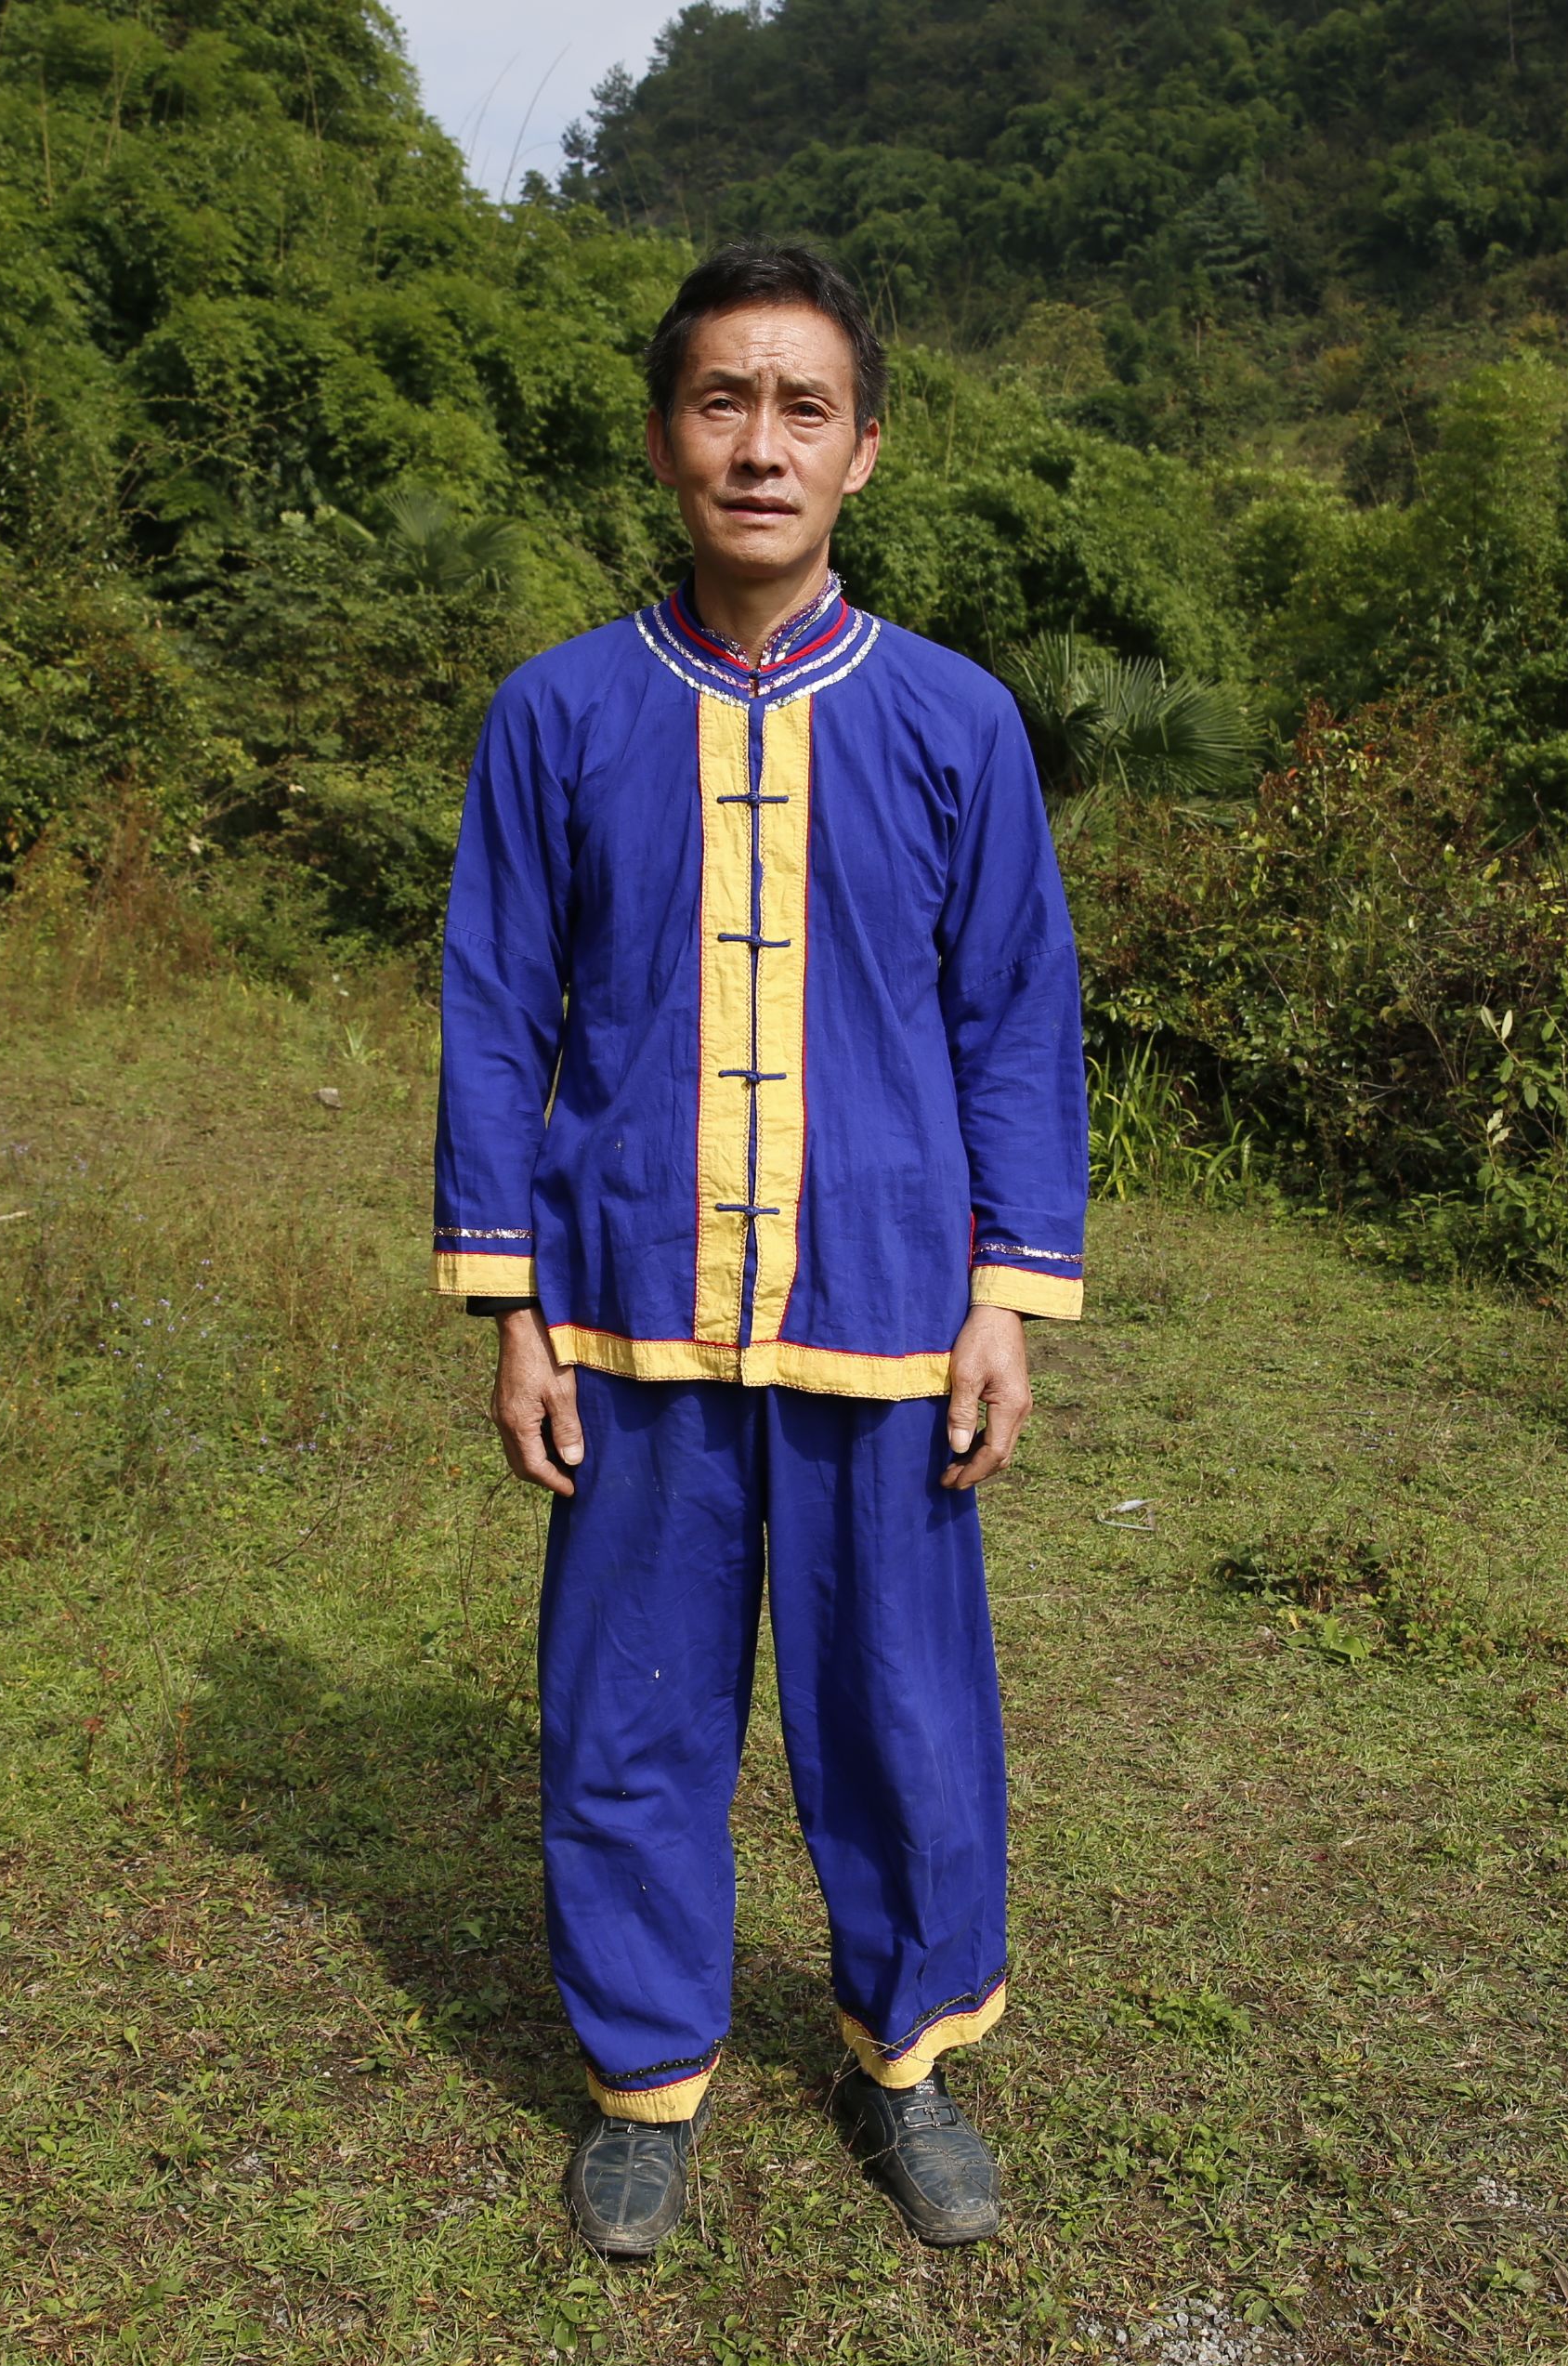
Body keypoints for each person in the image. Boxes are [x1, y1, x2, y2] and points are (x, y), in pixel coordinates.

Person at [430, 242, 1089, 2259]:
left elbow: (1015, 1014)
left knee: (902, 1713)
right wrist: (514, 1301)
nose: (762, 445)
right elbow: (496, 1006)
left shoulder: (958, 720)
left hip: (885, 1301)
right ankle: (644, 2077)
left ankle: (907, 2057)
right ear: (663, 437)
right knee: (628, 1713)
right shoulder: (557, 712)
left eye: (806, 408)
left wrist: (1005, 1296)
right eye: (724, 400)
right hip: (627, 1298)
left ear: (864, 449)